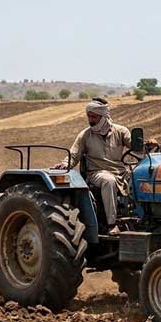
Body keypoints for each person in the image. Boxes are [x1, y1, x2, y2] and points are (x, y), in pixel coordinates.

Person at [53, 98, 130, 235]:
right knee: (108, 181)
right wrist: (65, 164)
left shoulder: (121, 131)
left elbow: (136, 147)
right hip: (97, 173)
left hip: (121, 172)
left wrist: (147, 145)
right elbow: (74, 154)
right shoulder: (85, 135)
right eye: (89, 116)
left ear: (104, 116)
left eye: (94, 116)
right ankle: (112, 224)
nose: (91, 120)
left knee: (140, 179)